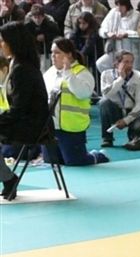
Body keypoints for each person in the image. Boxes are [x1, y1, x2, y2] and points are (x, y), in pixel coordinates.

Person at [0, 21, 50, 200]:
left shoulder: (23, 70)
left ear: (12, 42)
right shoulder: (20, 65)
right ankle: (7, 178)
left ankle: (8, 179)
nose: (1, 45)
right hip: (26, 120)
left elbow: (19, 109)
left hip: (31, 125)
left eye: (3, 41)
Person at [42, 37, 109, 166]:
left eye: (57, 52)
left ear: (68, 55)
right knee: (51, 161)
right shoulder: (50, 72)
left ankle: (98, 155)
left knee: (75, 162)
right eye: (52, 52)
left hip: (71, 127)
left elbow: (82, 93)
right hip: (51, 126)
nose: (53, 56)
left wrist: (68, 73)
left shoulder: (82, 73)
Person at [99, 50, 140, 147]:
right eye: (126, 62)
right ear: (117, 64)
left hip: (131, 112)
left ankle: (133, 138)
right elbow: (106, 94)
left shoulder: (138, 76)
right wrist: (121, 79)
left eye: (131, 62)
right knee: (104, 102)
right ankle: (107, 138)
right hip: (115, 110)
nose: (130, 65)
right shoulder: (106, 74)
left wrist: (126, 120)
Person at [97, 0, 140, 73]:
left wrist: (127, 34)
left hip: (132, 50)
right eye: (117, 5)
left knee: (134, 72)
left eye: (121, 5)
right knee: (101, 63)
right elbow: (102, 29)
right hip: (116, 50)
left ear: (127, 5)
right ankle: (115, 78)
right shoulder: (113, 12)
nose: (119, 8)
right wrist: (108, 33)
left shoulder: (136, 15)